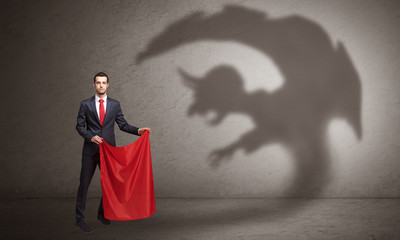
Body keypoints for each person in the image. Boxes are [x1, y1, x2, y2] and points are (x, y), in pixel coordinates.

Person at [75, 72, 152, 232]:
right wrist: (90, 137)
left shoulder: (115, 104)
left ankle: (102, 214)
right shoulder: (85, 104)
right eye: (98, 82)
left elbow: (123, 125)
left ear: (108, 84)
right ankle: (79, 219)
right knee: (84, 185)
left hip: (109, 151)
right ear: (94, 85)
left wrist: (139, 130)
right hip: (90, 151)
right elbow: (80, 126)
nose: (101, 85)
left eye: (104, 82)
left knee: (110, 184)